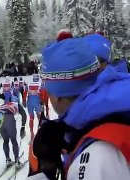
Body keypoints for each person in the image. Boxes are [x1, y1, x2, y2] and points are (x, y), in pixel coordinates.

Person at [28, 37, 130, 179]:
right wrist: (68, 132)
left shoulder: (97, 154)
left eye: (48, 88)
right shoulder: (113, 106)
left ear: (58, 95)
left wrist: (42, 172)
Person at [0, 96, 25, 169]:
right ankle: (16, 161)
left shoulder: (3, 105)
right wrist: (23, 127)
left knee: (5, 140)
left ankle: (8, 160)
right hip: (8, 118)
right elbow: (24, 115)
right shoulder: (16, 104)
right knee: (13, 140)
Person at [23, 75, 43, 143]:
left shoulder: (28, 84)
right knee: (39, 117)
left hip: (30, 101)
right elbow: (42, 93)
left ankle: (32, 135)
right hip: (37, 101)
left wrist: (24, 101)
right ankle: (40, 133)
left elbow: (25, 93)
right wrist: (42, 101)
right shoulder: (40, 84)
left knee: (31, 118)